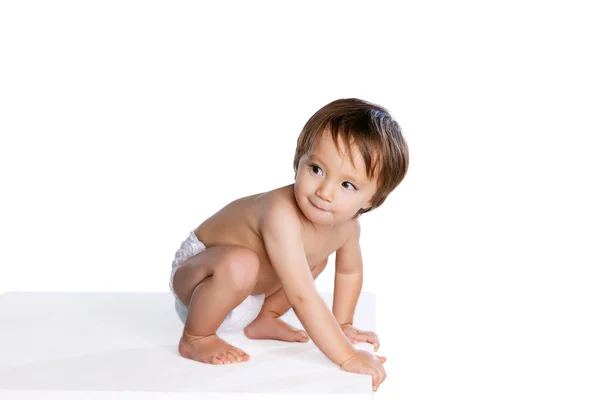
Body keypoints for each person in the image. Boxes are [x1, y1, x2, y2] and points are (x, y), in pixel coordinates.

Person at [169, 98, 409, 392]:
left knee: (315, 259)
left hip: (250, 290)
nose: (324, 192)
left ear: (372, 199)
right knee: (243, 263)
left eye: (347, 185)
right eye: (317, 169)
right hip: (199, 283)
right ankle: (196, 337)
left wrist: (343, 324)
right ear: (299, 160)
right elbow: (302, 295)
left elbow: (348, 273)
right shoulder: (280, 214)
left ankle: (264, 318)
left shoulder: (347, 226)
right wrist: (346, 357)